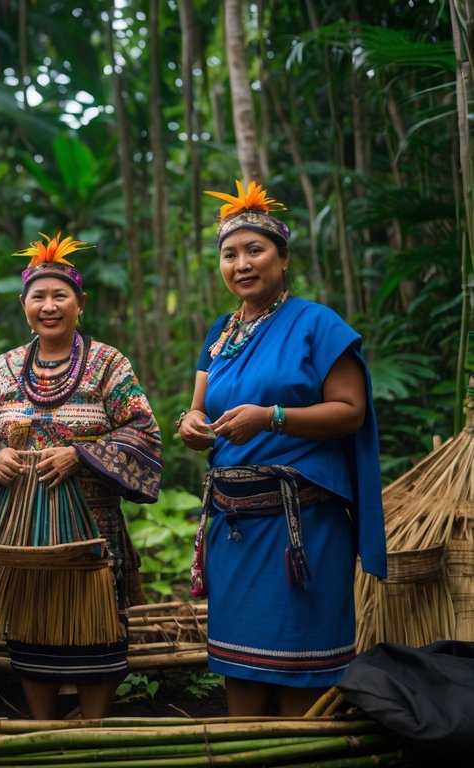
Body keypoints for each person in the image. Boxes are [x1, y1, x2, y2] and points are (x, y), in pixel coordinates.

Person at [177, 181, 386, 717]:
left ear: (283, 257)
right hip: (235, 529)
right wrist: (193, 426)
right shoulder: (220, 333)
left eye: (255, 250)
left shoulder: (318, 324)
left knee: (302, 680)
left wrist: (271, 418)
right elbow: (198, 408)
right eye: (229, 254)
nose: (241, 264)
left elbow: (350, 410)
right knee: (238, 674)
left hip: (301, 532)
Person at [0, 233, 162, 720]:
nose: (49, 306)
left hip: (91, 530)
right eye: (39, 296)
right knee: (31, 631)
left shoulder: (108, 363)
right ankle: (44, 728)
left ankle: (93, 733)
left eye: (60, 296)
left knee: (97, 636)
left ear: (80, 303)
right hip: (21, 529)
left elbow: (144, 430)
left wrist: (81, 454)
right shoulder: (7, 366)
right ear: (24, 304)